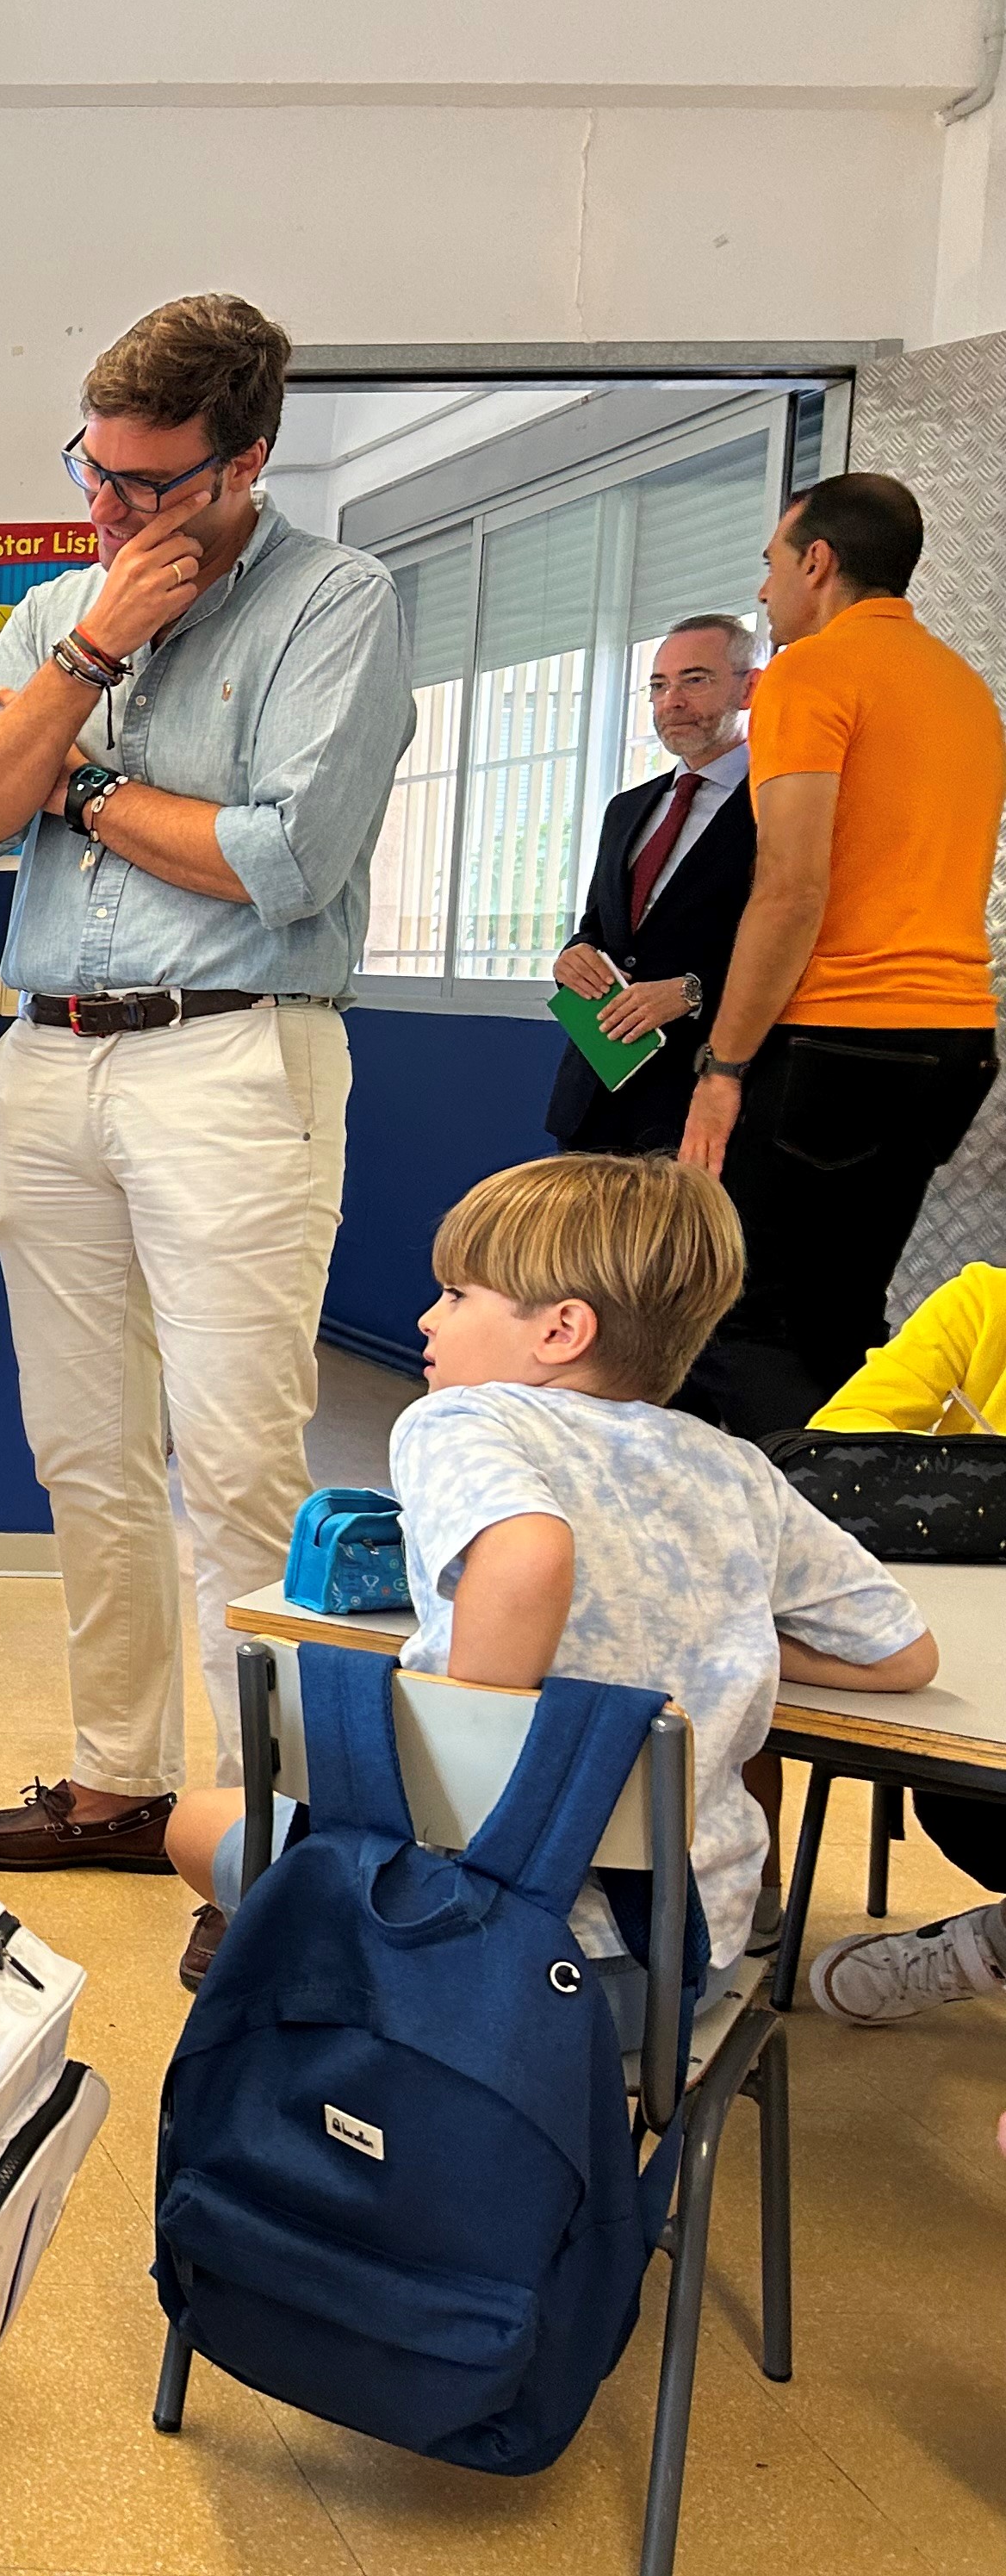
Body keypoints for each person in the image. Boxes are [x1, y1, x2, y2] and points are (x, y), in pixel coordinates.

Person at [0, 292, 413, 1875]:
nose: (111, 509)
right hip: (51, 1052)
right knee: (84, 1447)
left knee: (239, 1458)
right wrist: (93, 647)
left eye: (148, 482)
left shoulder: (337, 600)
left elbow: (282, 859)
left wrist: (83, 783)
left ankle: (259, 1840)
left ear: (242, 460)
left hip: (230, 1052)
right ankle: (122, 1778)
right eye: (97, 472)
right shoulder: (59, 614)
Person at [163, 1154, 935, 1990]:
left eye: (457, 1295)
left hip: (491, 1959)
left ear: (560, 1331)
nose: (428, 1318)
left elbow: (530, 1551)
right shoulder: (736, 1466)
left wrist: (474, 1757)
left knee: (195, 1822)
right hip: (679, 1970)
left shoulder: (459, 1419)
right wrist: (724, 1642)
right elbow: (902, 1657)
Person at [678, 474, 1006, 1437]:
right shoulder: (963, 686)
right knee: (842, 1309)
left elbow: (791, 887)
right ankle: (858, 1537)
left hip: (832, 1041)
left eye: (772, 566)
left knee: (744, 1318)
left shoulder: (812, 673)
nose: (767, 589)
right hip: (951, 1048)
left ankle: (777, 1556)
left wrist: (724, 1066)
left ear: (817, 563)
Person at [790, 1261, 1006, 2025]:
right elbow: (838, 1450)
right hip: (969, 1714)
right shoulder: (985, 1303)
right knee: (970, 1807)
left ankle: (992, 1945)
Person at [547, 616, 761, 1155]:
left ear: (749, 686)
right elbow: (599, 928)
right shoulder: (628, 809)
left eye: (695, 680)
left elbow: (794, 943)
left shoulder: (776, 804)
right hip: (595, 1090)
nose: (672, 702)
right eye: (659, 686)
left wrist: (693, 992)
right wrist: (574, 956)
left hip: (697, 1098)